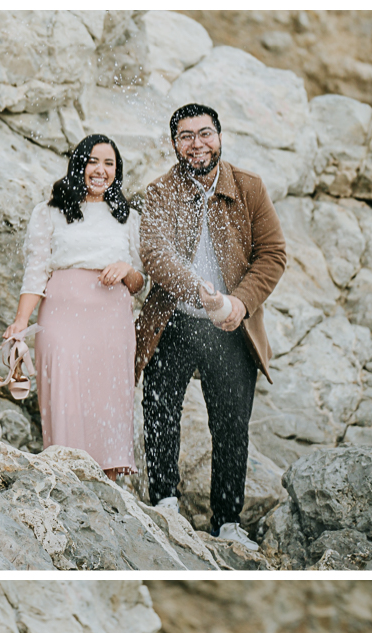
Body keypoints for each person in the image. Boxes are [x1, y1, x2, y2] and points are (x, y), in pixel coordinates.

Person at [136, 103, 287, 550]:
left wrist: (239, 303)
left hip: (231, 326)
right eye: (186, 136)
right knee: (160, 410)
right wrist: (197, 288)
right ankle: (164, 500)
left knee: (232, 425)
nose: (197, 143)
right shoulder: (160, 191)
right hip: (175, 319)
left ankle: (228, 522)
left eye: (205, 134)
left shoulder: (249, 188)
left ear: (220, 137)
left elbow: (273, 254)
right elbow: (154, 252)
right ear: (174, 144)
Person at [4, 135, 144, 479]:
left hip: (112, 323)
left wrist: (127, 270)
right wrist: (20, 323)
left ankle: (109, 490)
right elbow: (35, 272)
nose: (100, 170)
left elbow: (142, 282)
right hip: (62, 318)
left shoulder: (128, 217)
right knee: (63, 400)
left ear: (117, 171)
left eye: (109, 164)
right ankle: (65, 479)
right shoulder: (49, 212)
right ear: (78, 165)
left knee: (107, 406)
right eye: (93, 161)